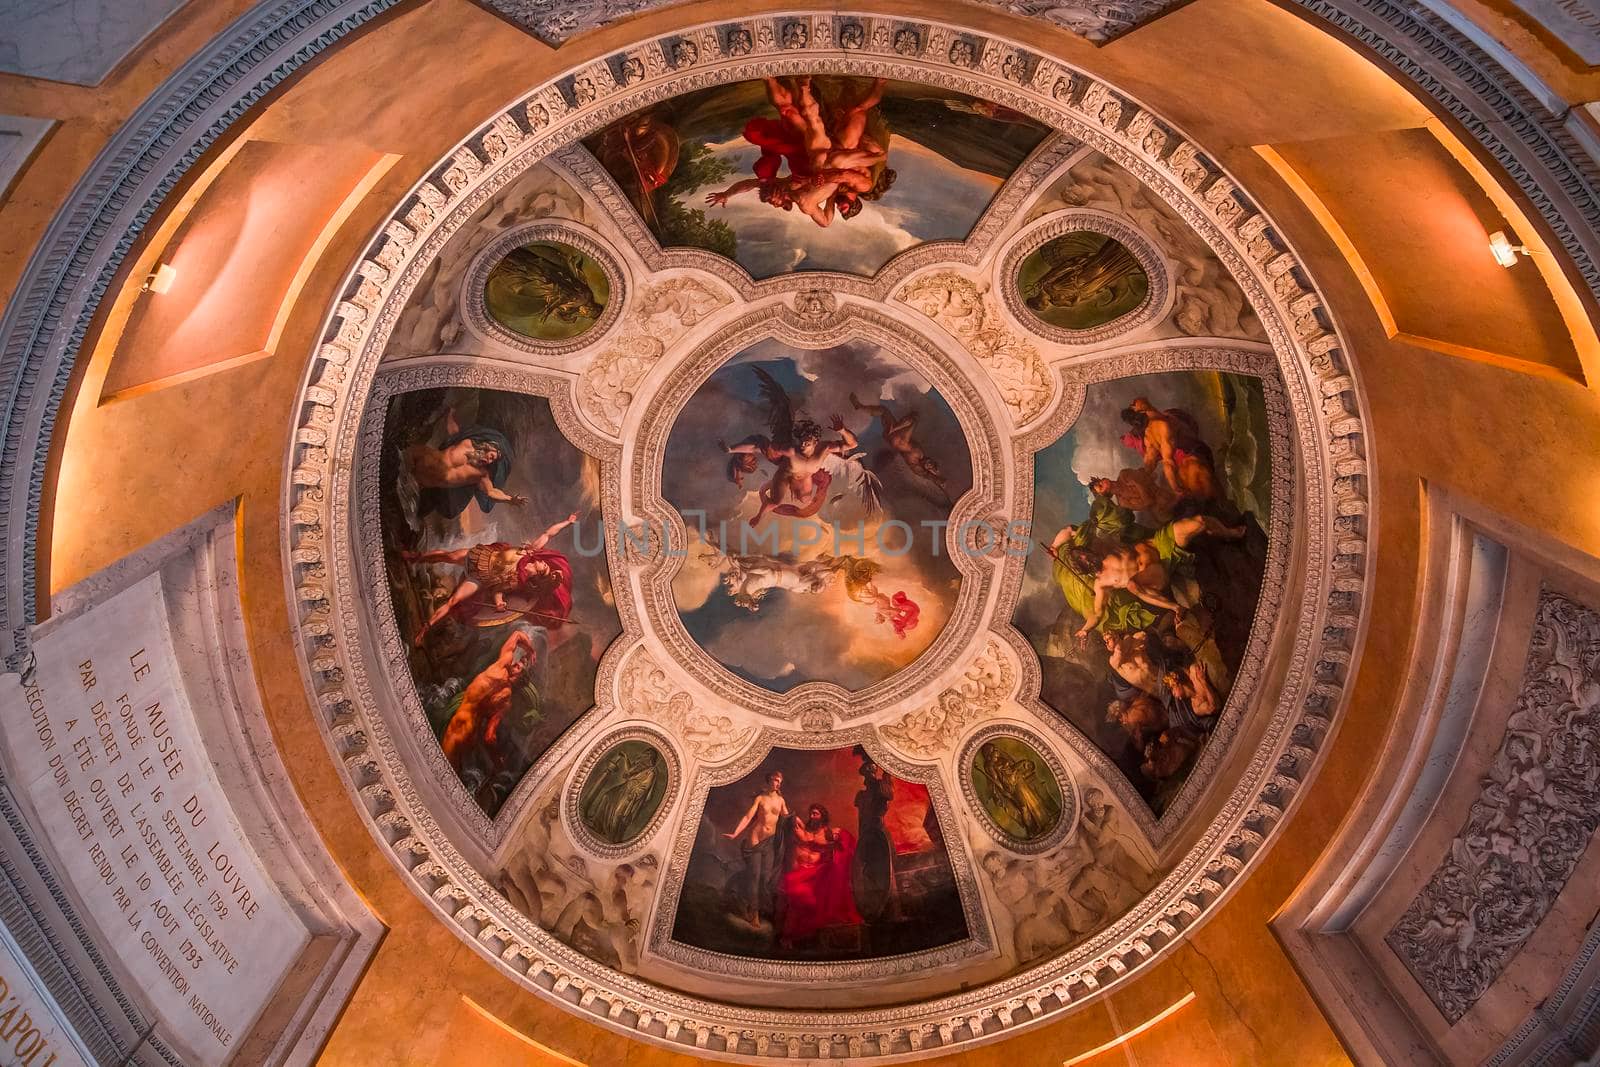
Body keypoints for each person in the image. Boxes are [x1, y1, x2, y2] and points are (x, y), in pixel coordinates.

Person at [403, 513, 577, 646]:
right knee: (448, 556)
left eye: (544, 567)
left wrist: (499, 602)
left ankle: (426, 628)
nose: (542, 561)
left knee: (453, 601)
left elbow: (498, 590)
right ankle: (416, 557)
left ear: (539, 576)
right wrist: (568, 522)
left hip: (480, 578)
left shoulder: (518, 581)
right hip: (481, 557)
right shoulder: (529, 551)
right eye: (545, 564)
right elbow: (548, 534)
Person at [405, 406, 526, 519]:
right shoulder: (467, 443)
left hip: (420, 481)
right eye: (491, 456)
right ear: (487, 447)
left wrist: (510, 500)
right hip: (419, 456)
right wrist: (449, 416)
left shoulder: (480, 475)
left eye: (492, 461)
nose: (489, 460)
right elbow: (454, 433)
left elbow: (491, 492)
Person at [438, 630, 534, 771]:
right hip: (471, 734)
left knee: (442, 767)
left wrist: (531, 650)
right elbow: (489, 737)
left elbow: (517, 635)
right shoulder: (506, 702)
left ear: (520, 677)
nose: (516, 663)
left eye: (519, 666)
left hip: (461, 724)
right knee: (453, 769)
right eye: (519, 663)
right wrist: (496, 759)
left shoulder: (500, 667)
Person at [777, 804, 861, 948]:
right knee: (795, 894)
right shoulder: (803, 830)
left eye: (815, 813)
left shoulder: (829, 833)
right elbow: (791, 818)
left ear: (822, 815)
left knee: (813, 896)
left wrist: (837, 843)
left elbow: (840, 843)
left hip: (816, 874)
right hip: (802, 873)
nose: (811, 816)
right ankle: (787, 936)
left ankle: (794, 936)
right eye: (811, 813)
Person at [723, 771, 790, 926]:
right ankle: (754, 912)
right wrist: (735, 833)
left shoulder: (781, 800)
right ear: (769, 780)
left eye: (780, 781)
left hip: (770, 842)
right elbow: (748, 817)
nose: (778, 783)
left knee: (765, 877)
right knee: (755, 875)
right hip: (755, 839)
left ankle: (749, 903)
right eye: (775, 780)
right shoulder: (761, 799)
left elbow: (788, 820)